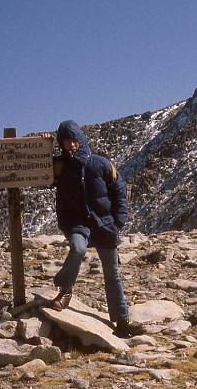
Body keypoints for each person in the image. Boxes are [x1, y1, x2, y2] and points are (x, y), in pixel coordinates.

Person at [48, 120, 141, 338]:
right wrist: (46, 145)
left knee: (112, 273)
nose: (70, 145)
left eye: (73, 140)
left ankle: (121, 321)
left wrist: (119, 221)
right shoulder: (60, 166)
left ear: (80, 139)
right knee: (78, 248)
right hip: (77, 223)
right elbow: (38, 173)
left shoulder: (100, 164)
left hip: (105, 225)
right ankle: (65, 289)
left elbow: (119, 189)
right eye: (65, 142)